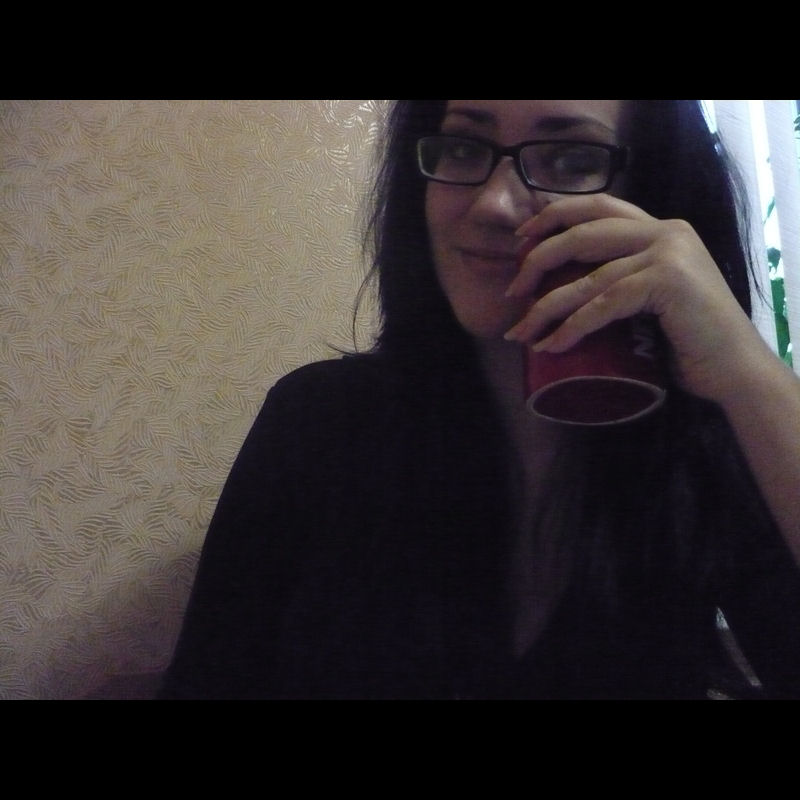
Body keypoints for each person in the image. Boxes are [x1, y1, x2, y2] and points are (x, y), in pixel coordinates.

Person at [159, 100, 800, 699]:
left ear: (652, 194)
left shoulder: (709, 446)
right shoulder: (319, 421)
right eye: (464, 148)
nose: (493, 203)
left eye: (571, 159)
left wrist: (748, 372)